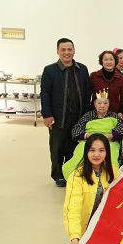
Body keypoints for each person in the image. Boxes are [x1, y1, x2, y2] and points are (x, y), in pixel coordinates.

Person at [41, 38, 91, 187]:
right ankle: (58, 175)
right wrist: (47, 115)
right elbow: (45, 94)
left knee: (73, 146)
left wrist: (86, 115)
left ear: (74, 51)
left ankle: (69, 172)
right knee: (57, 148)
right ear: (58, 51)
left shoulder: (82, 69)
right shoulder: (50, 70)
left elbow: (87, 92)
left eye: (69, 49)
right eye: (63, 50)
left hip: (78, 116)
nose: (67, 52)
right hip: (58, 117)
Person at [63, 133, 118, 244]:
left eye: (101, 150)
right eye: (92, 150)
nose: (96, 154)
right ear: (86, 152)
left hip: (105, 229)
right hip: (85, 230)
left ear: (107, 153)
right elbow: (72, 208)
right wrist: (74, 237)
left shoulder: (113, 172)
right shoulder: (77, 176)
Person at [62, 90, 123, 181]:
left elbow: (120, 131)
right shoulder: (88, 116)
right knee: (79, 155)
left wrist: (108, 136)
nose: (102, 106)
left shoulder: (113, 116)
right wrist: (88, 135)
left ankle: (109, 179)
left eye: (105, 103)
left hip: (109, 141)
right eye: (99, 103)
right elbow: (76, 130)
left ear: (108, 104)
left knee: (111, 157)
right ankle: (76, 178)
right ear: (95, 104)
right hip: (88, 141)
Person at [89, 50, 123, 118]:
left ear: (115, 61)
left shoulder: (120, 78)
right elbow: (87, 95)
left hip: (114, 114)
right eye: (106, 60)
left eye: (111, 59)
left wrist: (121, 112)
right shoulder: (94, 76)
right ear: (101, 62)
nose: (109, 62)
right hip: (96, 114)